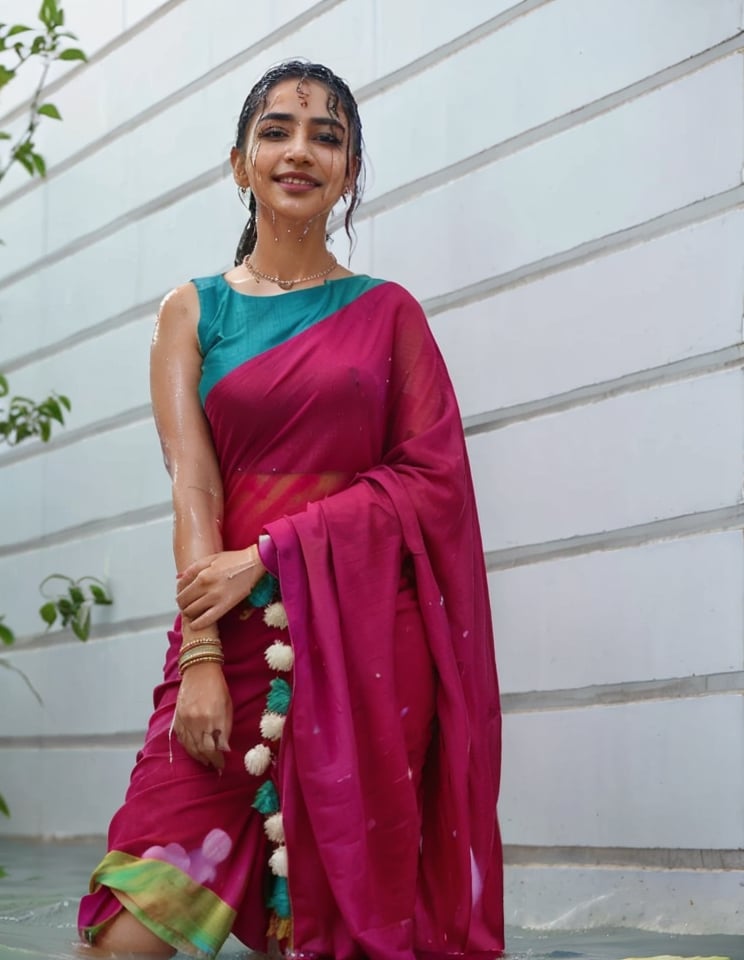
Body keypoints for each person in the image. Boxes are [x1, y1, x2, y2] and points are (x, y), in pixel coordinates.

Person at [77, 60, 504, 960]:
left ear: (350, 170)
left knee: (322, 930)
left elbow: (431, 485)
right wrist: (197, 655)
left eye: (327, 136)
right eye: (276, 131)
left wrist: (271, 551)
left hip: (364, 653)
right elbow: (193, 485)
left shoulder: (388, 316)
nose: (300, 151)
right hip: (223, 637)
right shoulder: (193, 311)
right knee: (127, 939)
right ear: (240, 163)